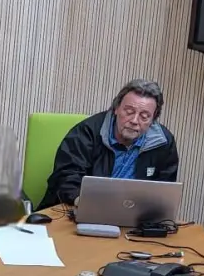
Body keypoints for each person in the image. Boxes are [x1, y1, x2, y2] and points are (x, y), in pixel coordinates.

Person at [36, 80, 180, 210]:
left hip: (135, 220)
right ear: (115, 109)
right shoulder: (86, 132)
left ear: (153, 119)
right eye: (129, 112)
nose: (134, 120)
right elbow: (66, 178)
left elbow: (164, 191)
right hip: (80, 210)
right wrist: (86, 205)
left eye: (144, 116)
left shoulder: (163, 143)